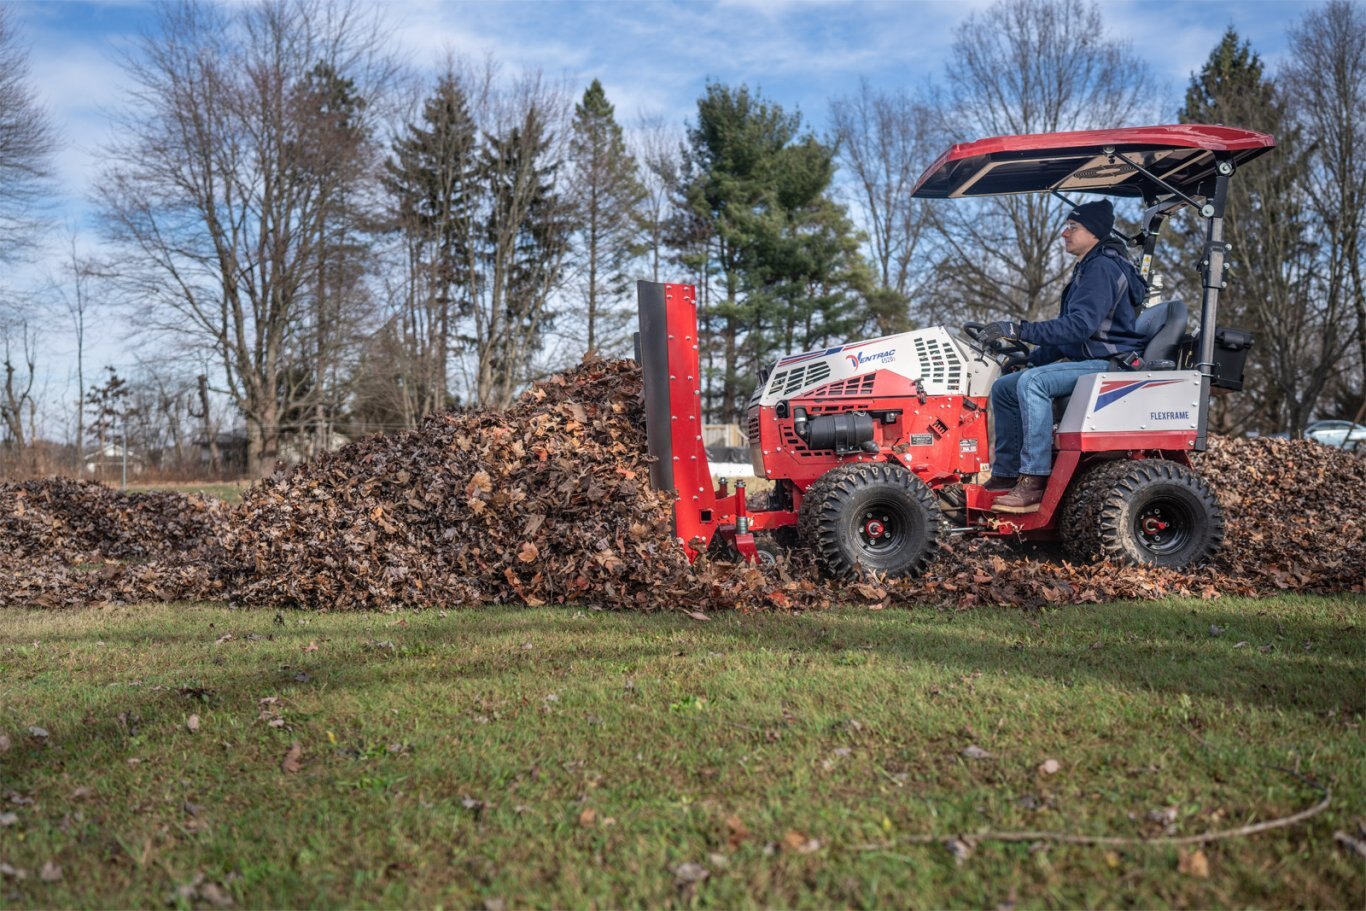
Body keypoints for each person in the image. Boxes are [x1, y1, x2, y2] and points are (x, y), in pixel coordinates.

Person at [978, 199, 1147, 512]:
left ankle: (1033, 480)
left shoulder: (1102, 269)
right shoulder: (1088, 267)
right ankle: (1005, 473)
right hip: (1092, 359)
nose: (1064, 233)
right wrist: (1030, 358)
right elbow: (1067, 340)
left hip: (1111, 364)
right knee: (1005, 386)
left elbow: (1078, 328)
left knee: (1033, 383)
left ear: (1094, 233)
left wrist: (1018, 330)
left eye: (1073, 227)